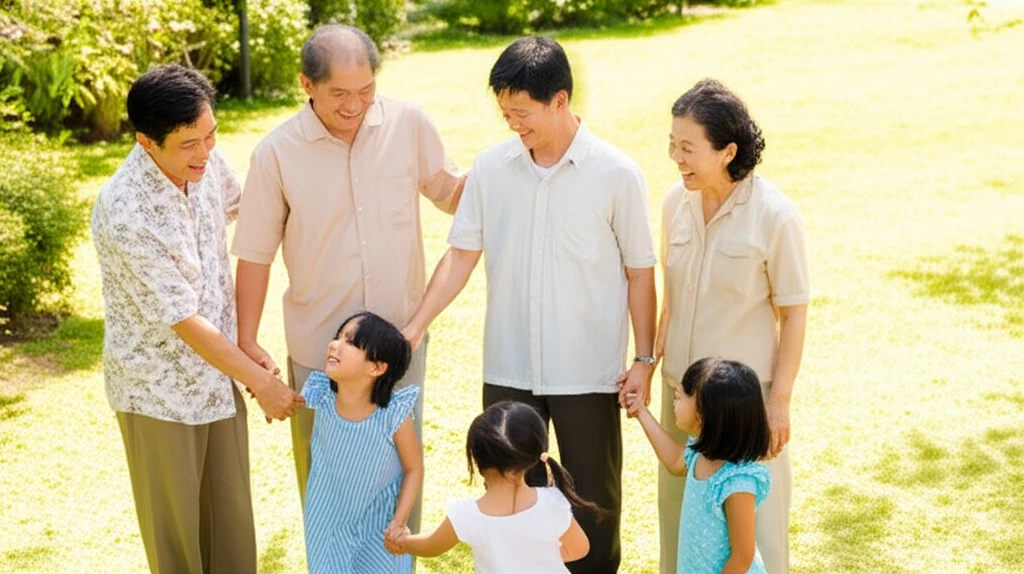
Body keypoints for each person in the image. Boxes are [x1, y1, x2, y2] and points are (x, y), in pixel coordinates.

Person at [401, 36, 657, 573]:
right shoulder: (492, 169)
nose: (514, 125)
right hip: (510, 365)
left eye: (523, 113)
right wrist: (417, 324)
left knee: (592, 504)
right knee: (514, 501)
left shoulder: (615, 173)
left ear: (560, 100)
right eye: (506, 114)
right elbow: (460, 255)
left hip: (587, 371)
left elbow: (639, 272)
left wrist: (643, 360)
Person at [231, 24, 465, 533]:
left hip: (398, 345)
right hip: (321, 353)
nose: (355, 104)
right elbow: (254, 255)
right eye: (339, 93)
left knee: (401, 473)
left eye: (366, 90)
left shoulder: (409, 124)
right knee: (326, 485)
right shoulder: (275, 154)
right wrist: (246, 340)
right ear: (306, 85)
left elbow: (450, 193)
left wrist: (506, 173)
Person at [91, 64, 302, 574]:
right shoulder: (125, 212)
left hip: (218, 379)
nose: (205, 153)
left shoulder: (202, 162)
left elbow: (250, 209)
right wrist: (261, 382)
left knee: (231, 530)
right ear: (146, 141)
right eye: (190, 143)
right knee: (180, 545)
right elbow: (184, 320)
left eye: (211, 136)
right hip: (157, 395)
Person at [652, 78, 809, 573]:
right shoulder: (674, 203)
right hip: (681, 394)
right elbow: (671, 299)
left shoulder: (775, 216)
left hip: (745, 406)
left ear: (727, 151)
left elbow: (795, 312)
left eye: (687, 147)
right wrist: (648, 363)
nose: (676, 158)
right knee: (679, 525)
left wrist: (778, 401)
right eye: (672, 144)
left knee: (755, 535)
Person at [384, 401, 594, 572]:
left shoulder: (467, 515)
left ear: (477, 459)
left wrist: (403, 542)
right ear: (532, 457)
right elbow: (580, 548)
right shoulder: (553, 502)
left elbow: (431, 545)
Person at [300, 311, 422, 573]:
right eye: (338, 337)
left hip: (377, 527)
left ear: (377, 367)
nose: (335, 345)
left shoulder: (393, 414)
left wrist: (398, 523)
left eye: (350, 342)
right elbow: (285, 404)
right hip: (326, 524)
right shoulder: (321, 395)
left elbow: (414, 469)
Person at [628, 358, 772, 573]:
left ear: (703, 414)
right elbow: (675, 462)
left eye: (679, 397)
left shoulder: (736, 482)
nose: (674, 404)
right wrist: (640, 410)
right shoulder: (701, 453)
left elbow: (743, 556)